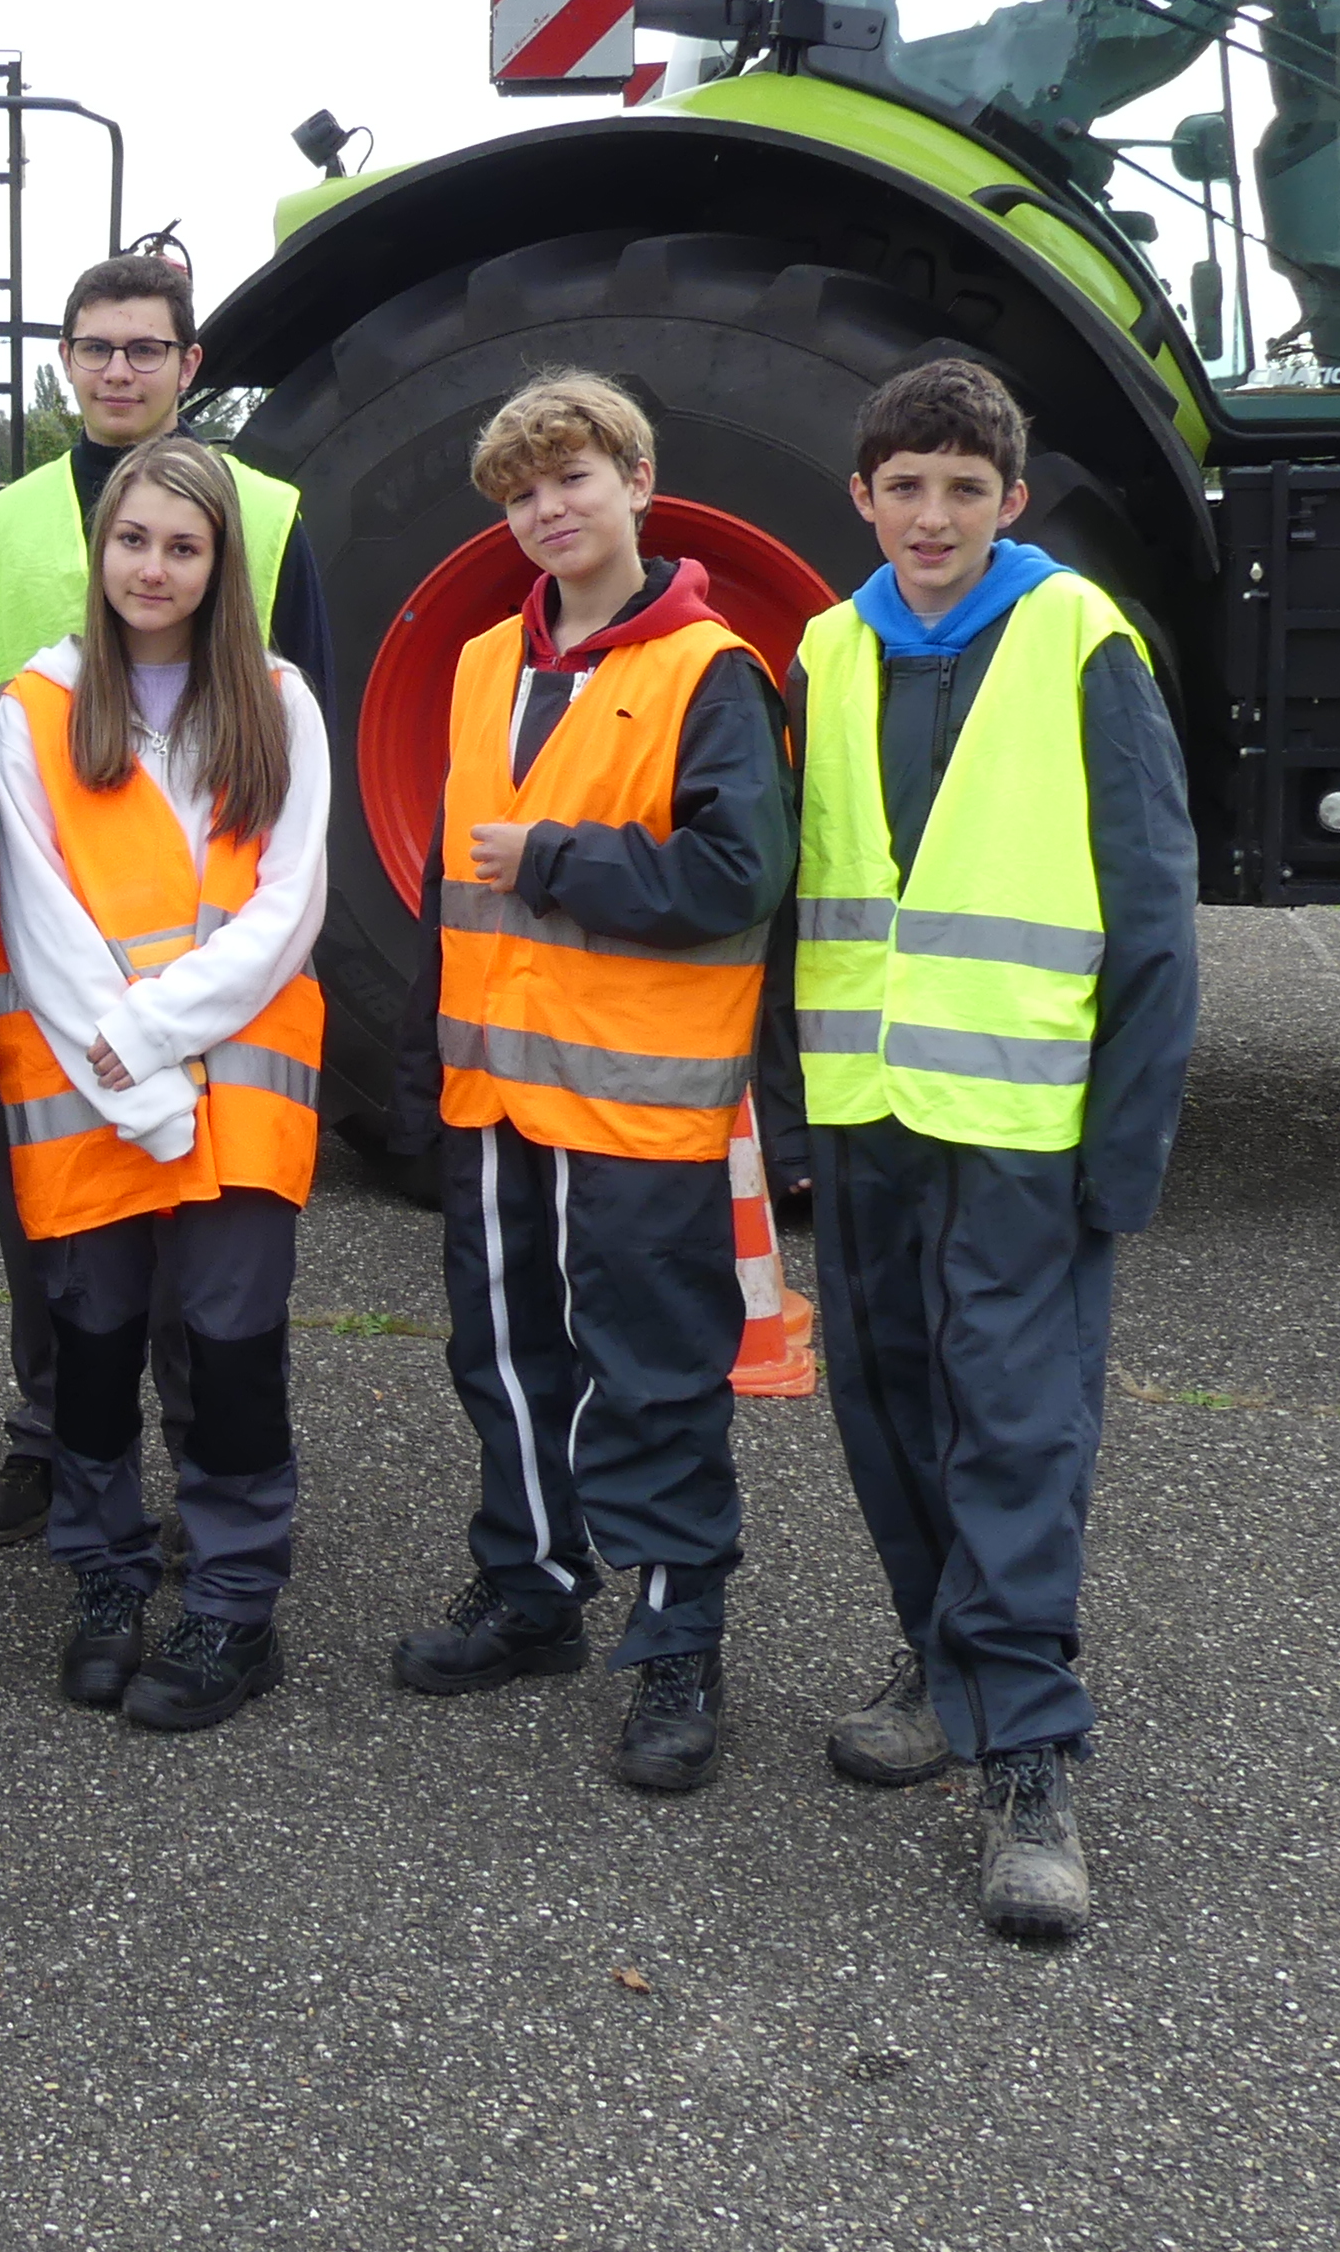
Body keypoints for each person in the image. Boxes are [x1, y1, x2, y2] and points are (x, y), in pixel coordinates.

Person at [787, 358, 1195, 1942]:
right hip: (871, 1118)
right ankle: (942, 1661)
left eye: (967, 488)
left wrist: (1129, 1148)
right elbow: (808, 896)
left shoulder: (1081, 643)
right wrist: (788, 1109)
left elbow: (1154, 916)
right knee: (889, 1412)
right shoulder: (830, 648)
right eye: (908, 487)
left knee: (1013, 1427)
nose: (935, 516)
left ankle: (1029, 1756)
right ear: (865, 499)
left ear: (1011, 501)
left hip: (1025, 1128)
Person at [385, 370, 793, 1798]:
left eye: (572, 478)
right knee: (503, 1361)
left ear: (636, 477)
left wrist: (558, 859)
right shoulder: (487, 660)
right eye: (519, 492)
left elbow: (740, 880)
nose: (547, 509)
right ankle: (534, 1587)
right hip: (494, 1094)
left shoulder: (708, 669)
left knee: (656, 1376)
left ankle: (680, 1638)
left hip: (637, 1106)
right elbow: (454, 883)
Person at [0, 247, 335, 1553]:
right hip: (48, 970)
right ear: (68, 360)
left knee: (203, 1286)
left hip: (208, 988)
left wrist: (168, 1014)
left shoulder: (269, 515)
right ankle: (53, 1450)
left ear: (188, 366)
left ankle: (192, 1481)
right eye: (97, 347)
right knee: (64, 1245)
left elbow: (295, 742)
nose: (119, 369)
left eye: (145, 348)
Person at [0, 439, 329, 1730]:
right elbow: (38, 916)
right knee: (91, 1347)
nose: (154, 567)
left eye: (184, 547)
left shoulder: (279, 702)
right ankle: (107, 1580)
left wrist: (160, 1044)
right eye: (134, 541)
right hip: (90, 1091)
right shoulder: (33, 707)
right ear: (100, 551)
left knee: (232, 1356)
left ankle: (234, 1605)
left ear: (220, 563)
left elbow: (289, 906)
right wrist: (136, 1077)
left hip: (236, 1094)